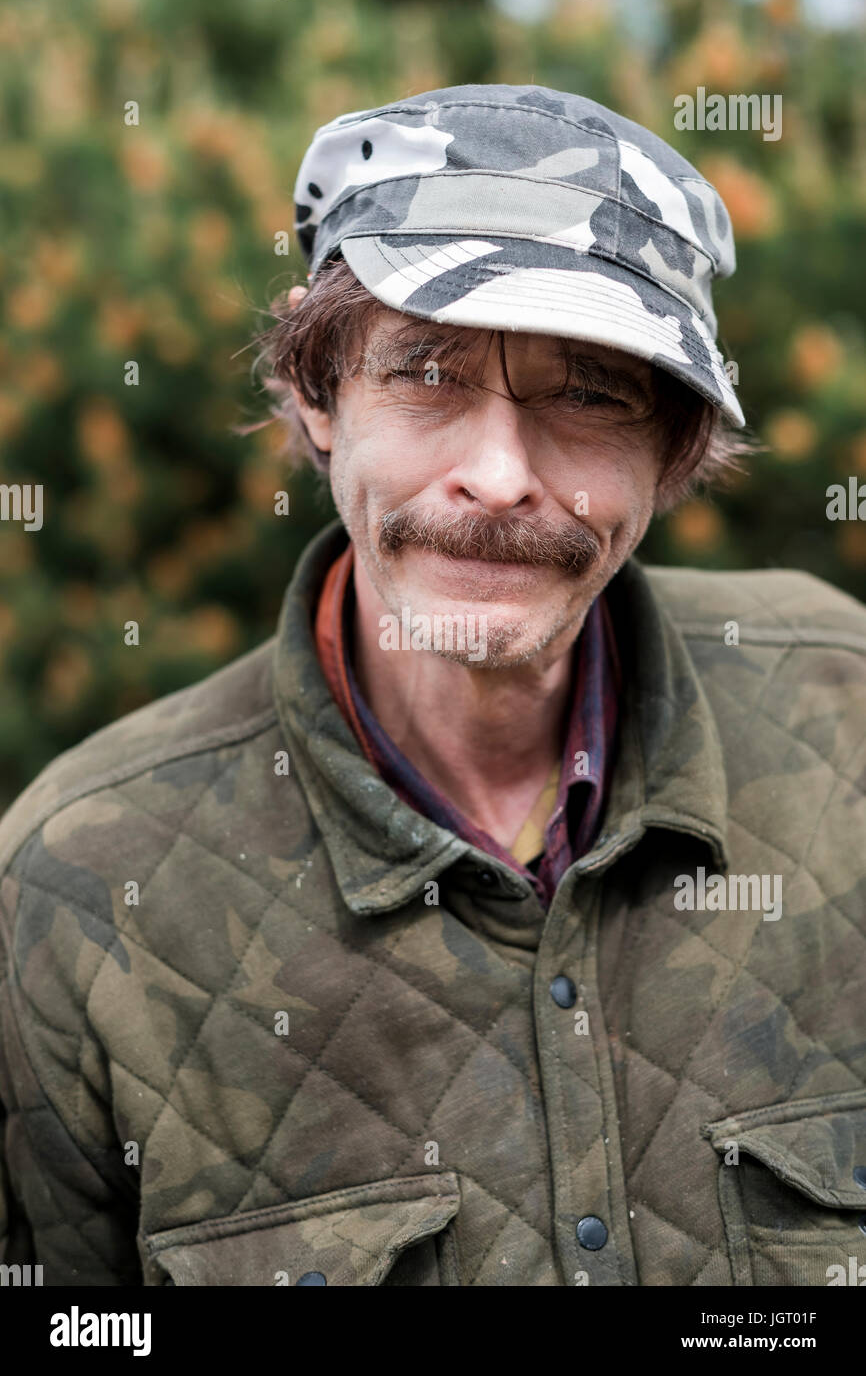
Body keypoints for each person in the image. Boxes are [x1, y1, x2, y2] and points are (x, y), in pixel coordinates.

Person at [1, 83, 865, 1288]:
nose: (499, 475)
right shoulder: (71, 889)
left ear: (670, 448)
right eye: (426, 371)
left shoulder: (847, 718)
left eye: (588, 392)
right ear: (316, 398)